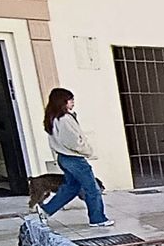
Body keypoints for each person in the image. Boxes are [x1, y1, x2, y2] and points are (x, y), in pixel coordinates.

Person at [40, 87, 113, 227]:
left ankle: (46, 210)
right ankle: (98, 219)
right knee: (92, 188)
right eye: (70, 99)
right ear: (62, 101)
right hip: (74, 158)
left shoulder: (52, 118)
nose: (73, 102)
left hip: (64, 158)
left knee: (71, 187)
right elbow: (73, 142)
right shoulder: (64, 119)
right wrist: (88, 151)